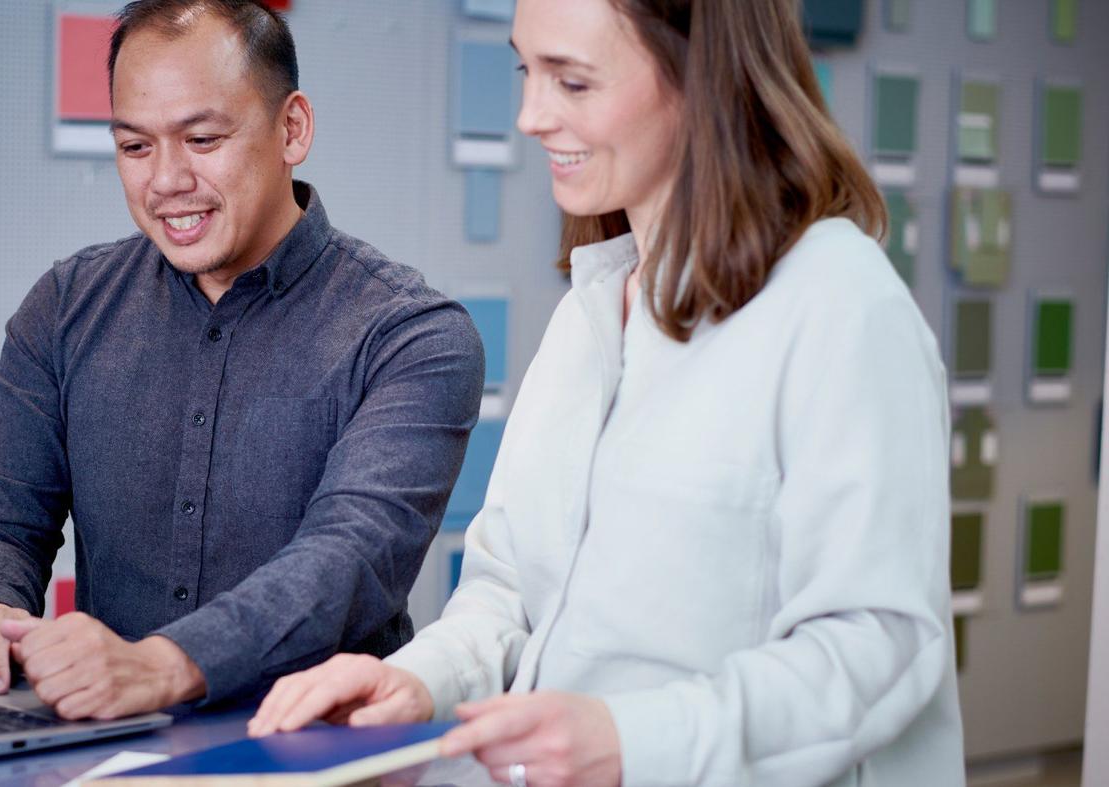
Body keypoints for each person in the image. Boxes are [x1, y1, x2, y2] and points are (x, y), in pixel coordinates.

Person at [247, 0, 965, 784]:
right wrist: (421, 680)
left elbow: (880, 647)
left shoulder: (838, 305)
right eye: (528, 70)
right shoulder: (590, 315)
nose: (529, 115)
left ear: (703, 77)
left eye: (574, 82)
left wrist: (637, 737)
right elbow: (510, 591)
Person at [0, 0, 484, 722]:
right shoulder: (63, 307)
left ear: (292, 128)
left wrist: (161, 664)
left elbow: (348, 560)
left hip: (313, 752)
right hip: (102, 747)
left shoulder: (410, 336)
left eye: (202, 138)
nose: (166, 181)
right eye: (135, 147)